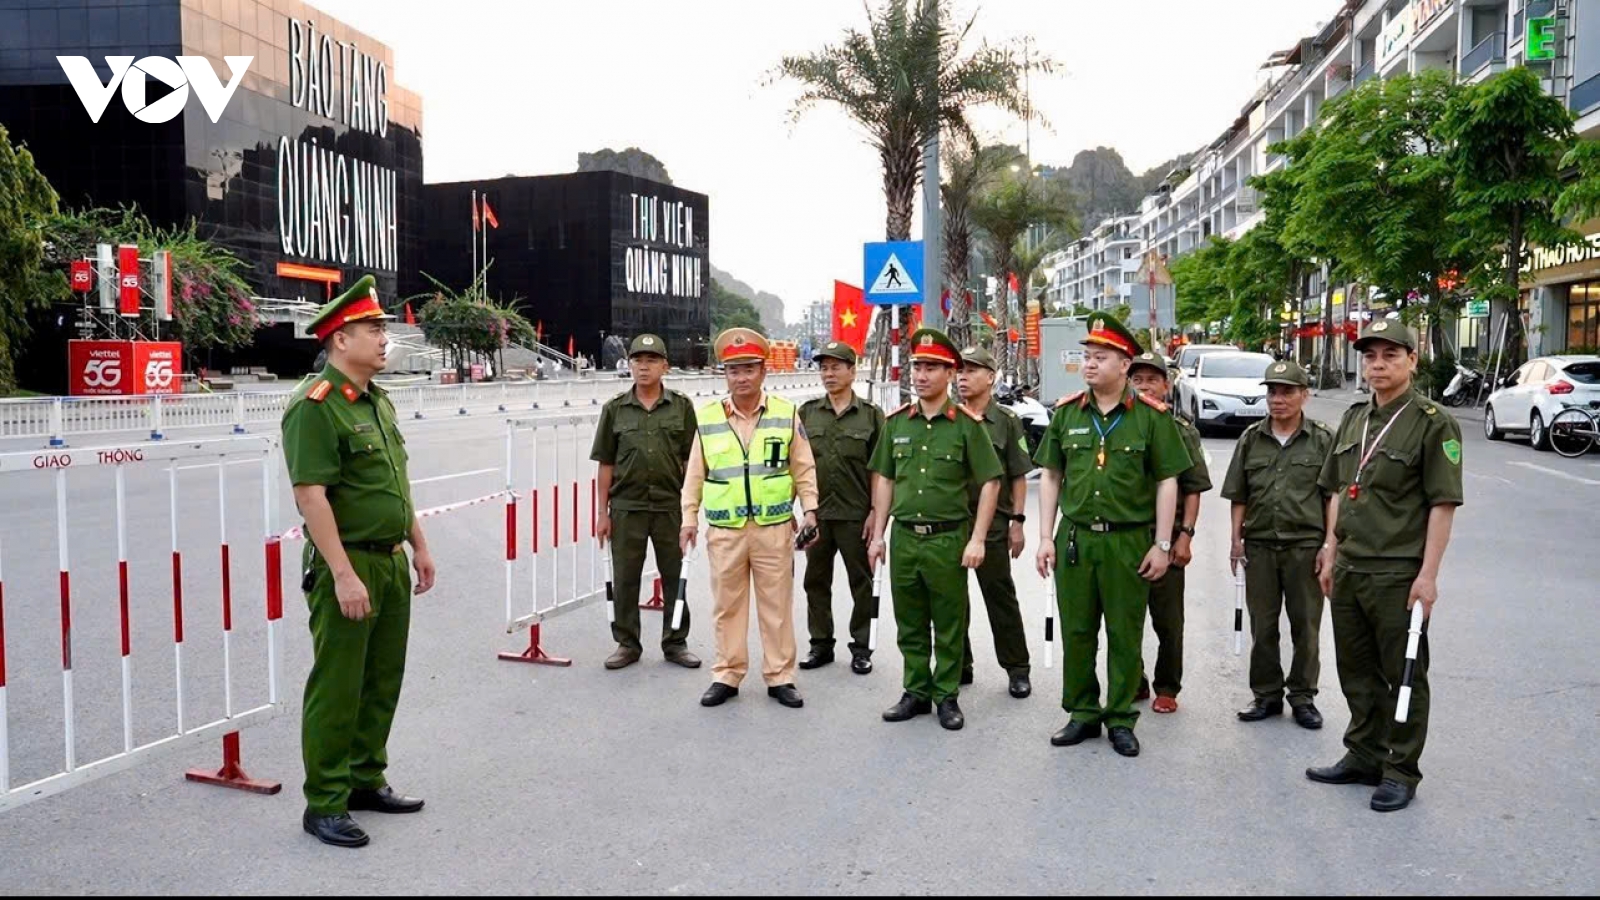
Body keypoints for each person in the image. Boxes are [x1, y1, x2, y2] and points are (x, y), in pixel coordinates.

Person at [281, 275, 437, 849]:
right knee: (338, 685)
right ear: (339, 339)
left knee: (380, 680)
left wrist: (418, 544)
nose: (383, 338)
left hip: (391, 560)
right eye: (373, 329)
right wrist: (343, 573)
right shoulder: (315, 407)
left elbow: (394, 483)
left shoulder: (376, 401)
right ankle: (324, 801)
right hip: (348, 565)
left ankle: (365, 780)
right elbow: (310, 496)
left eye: (382, 328)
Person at [1309, 320, 1462, 813]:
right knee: (1355, 669)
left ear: (1412, 361)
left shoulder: (1433, 422)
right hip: (1351, 566)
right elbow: (1337, 489)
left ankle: (1400, 769)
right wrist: (1331, 547)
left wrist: (1429, 576)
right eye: (1370, 356)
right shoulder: (1354, 419)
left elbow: (1442, 504)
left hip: (1398, 571)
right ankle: (1363, 753)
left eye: (1390, 356)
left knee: (1405, 674)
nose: (1377, 364)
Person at [1033, 313, 1189, 758]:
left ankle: (1120, 717)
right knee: (1077, 629)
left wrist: (1162, 544)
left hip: (1127, 541)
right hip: (1077, 539)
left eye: (1101, 357)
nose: (1089, 364)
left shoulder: (1151, 418)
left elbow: (1167, 481)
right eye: (1087, 356)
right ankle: (1082, 712)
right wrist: (1046, 537)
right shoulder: (1067, 414)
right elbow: (1050, 474)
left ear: (1125, 364)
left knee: (1124, 632)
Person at [867, 328, 1004, 731]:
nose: (921, 375)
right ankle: (916, 690)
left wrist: (978, 538)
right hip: (906, 536)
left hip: (948, 537)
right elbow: (885, 480)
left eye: (931, 367)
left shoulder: (966, 425)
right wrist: (878, 534)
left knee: (948, 621)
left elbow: (990, 481)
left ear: (949, 373)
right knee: (909, 621)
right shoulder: (896, 424)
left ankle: (946, 695)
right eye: (917, 367)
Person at [682, 328, 820, 709]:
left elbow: (803, 467)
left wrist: (810, 510)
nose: (741, 377)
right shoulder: (707, 418)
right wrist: (688, 519)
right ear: (724, 375)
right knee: (727, 606)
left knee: (776, 605)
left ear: (763, 372)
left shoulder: (785, 414)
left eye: (748, 369)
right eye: (733, 370)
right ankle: (727, 673)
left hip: (773, 528)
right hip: (725, 531)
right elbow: (695, 473)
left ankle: (780, 677)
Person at [1221, 359, 1333, 730]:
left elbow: (1333, 497)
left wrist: (1329, 545)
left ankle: (1303, 696)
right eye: (1272, 391)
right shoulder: (1252, 438)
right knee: (1263, 625)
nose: (1278, 399)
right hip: (1261, 546)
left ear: (1305, 394)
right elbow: (1240, 494)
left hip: (1305, 545)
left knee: (1306, 626)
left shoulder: (1321, 439)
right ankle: (1266, 694)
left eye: (1287, 391)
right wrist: (1236, 540)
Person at [591, 334, 700, 670]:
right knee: (625, 578)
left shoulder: (681, 407)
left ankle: (675, 642)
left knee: (674, 576)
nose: (643, 366)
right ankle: (627, 643)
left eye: (651, 360)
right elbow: (606, 463)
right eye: (638, 360)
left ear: (665, 367)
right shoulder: (614, 409)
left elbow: (691, 462)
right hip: (626, 508)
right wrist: (601, 513)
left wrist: (689, 511)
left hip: (670, 506)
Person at [1127, 351, 1211, 714]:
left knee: (1167, 622)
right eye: (1137, 379)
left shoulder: (1181, 431)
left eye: (1152, 379)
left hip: (1168, 537)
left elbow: (1193, 487)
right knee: (1125, 618)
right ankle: (1134, 680)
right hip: (1126, 537)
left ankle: (1167, 686)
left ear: (1167, 384)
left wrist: (1185, 536)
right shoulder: (1120, 425)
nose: (1144, 386)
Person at [797, 341, 885, 675]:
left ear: (852, 370)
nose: (828, 373)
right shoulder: (806, 413)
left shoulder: (871, 416)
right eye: (823, 367)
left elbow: (880, 470)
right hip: (817, 514)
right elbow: (798, 465)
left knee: (861, 582)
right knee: (815, 581)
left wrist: (876, 513)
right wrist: (800, 510)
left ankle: (862, 648)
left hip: (855, 515)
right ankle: (820, 644)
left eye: (836, 367)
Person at [954, 345, 1033, 699]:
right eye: (960, 371)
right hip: (953, 521)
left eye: (971, 371)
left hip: (996, 523)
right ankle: (959, 664)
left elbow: (1017, 474)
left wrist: (1017, 521)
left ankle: (1017, 668)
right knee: (952, 598)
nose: (962, 377)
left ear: (991, 377)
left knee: (999, 595)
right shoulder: (949, 417)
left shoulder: (1006, 420)